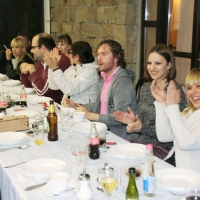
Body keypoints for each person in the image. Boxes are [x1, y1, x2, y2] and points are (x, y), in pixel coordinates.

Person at [114, 44, 187, 165]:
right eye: (149, 63)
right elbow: (143, 120)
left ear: (169, 65)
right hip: (142, 143)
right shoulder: (145, 88)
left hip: (163, 150)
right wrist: (133, 121)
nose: (152, 67)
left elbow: (174, 132)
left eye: (158, 63)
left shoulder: (174, 92)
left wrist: (142, 128)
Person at [64, 39, 138, 140]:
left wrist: (90, 116)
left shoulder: (122, 83)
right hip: (104, 131)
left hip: (119, 137)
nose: (99, 58)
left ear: (116, 57)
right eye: (98, 54)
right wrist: (76, 106)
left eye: (104, 54)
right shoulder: (104, 78)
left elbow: (120, 118)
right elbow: (100, 104)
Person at [151, 68, 200, 173]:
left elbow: (186, 143)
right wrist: (162, 103)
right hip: (175, 169)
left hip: (193, 179)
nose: (192, 92)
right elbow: (164, 136)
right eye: (189, 88)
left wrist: (173, 107)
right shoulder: (189, 113)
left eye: (198, 86)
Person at [20, 33, 71, 103]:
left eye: (33, 47)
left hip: (57, 106)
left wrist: (32, 69)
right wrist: (24, 72)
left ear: (43, 48)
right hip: (44, 103)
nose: (31, 51)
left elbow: (41, 91)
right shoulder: (41, 60)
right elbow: (31, 88)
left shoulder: (58, 61)